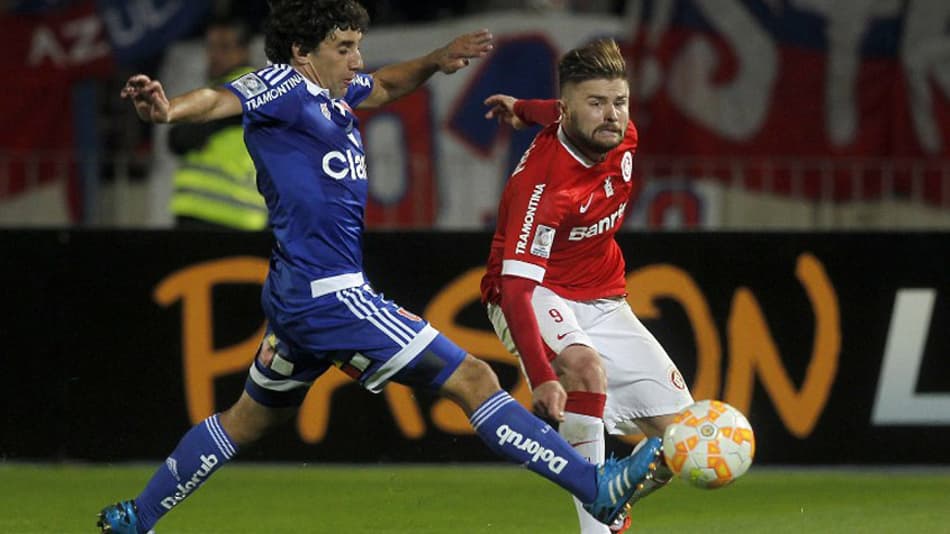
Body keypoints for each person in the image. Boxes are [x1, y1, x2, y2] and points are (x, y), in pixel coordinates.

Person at [99, 2, 662, 533]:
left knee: (247, 420)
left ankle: (137, 516)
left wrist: (437, 60)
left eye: (358, 46)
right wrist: (169, 109)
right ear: (302, 50)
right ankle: (594, 485)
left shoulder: (336, 95)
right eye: (343, 47)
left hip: (299, 295)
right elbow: (221, 98)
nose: (357, 60)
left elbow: (389, 84)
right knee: (474, 379)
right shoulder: (282, 86)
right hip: (332, 296)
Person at [479, 39, 694, 533]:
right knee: (585, 370)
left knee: (684, 443)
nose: (612, 115)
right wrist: (543, 376)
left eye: (619, 102)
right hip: (535, 291)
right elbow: (515, 292)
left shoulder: (619, 133)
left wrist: (521, 108)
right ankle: (598, 528)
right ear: (571, 108)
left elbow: (555, 110)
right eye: (596, 104)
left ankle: (609, 500)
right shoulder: (544, 186)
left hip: (604, 297)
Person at [166, 17, 268, 230]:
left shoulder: (253, 86)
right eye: (210, 46)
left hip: (232, 217)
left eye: (224, 47)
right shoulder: (215, 89)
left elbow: (184, 136)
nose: (215, 55)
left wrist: (199, 129)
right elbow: (177, 139)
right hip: (202, 213)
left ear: (244, 51)